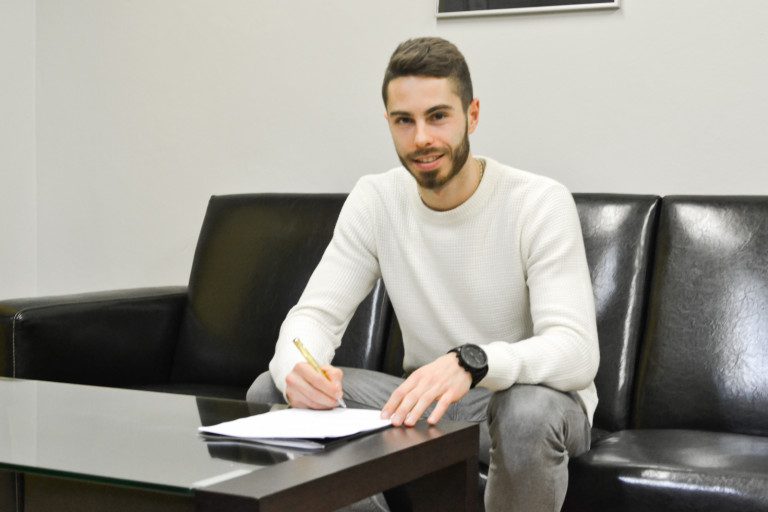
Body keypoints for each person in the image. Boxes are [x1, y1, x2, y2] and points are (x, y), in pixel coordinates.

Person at [247, 36, 599, 512]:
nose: (421, 139)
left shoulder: (538, 202)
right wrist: (298, 368)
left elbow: (576, 351)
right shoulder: (377, 200)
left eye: (438, 116)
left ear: (472, 115)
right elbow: (313, 316)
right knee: (272, 388)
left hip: (522, 402)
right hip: (427, 400)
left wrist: (473, 362)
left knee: (527, 411)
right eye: (404, 121)